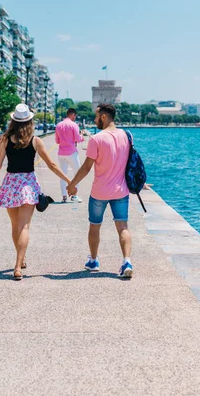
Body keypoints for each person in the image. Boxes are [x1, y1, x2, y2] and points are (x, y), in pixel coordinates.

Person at [0, 104, 72, 280]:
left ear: (13, 121)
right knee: (25, 226)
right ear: (30, 121)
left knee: (15, 226)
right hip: (28, 185)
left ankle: (20, 260)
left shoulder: (5, 139)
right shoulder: (35, 141)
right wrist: (69, 181)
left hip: (10, 184)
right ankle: (18, 266)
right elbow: (51, 165)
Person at [67, 104, 133, 278]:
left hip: (100, 192)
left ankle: (94, 261)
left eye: (96, 117)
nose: (95, 120)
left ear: (104, 117)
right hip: (121, 191)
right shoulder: (127, 136)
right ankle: (127, 261)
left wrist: (72, 184)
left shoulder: (97, 139)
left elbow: (87, 167)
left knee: (95, 226)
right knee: (123, 226)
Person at [55, 108, 84, 203]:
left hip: (61, 153)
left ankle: (64, 196)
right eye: (75, 116)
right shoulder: (74, 125)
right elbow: (78, 139)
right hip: (71, 152)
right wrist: (82, 136)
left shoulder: (58, 125)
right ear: (73, 115)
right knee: (77, 173)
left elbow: (57, 141)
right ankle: (74, 195)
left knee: (63, 174)